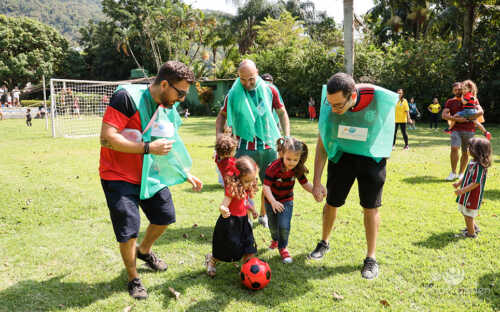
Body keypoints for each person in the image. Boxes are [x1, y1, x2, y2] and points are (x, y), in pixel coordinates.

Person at [99, 61, 203, 300]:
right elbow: (106, 138)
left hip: (149, 174)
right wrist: (147, 148)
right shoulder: (127, 98)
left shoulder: (166, 107)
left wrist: (183, 172)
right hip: (118, 174)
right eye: (181, 92)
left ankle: (144, 250)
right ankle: (133, 277)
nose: (183, 99)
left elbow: (168, 143)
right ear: (164, 84)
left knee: (165, 216)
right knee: (128, 227)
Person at [309, 72, 398, 280]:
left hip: (371, 158)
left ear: (353, 96)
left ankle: (371, 258)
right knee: (331, 202)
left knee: (371, 207)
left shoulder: (376, 99)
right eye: (331, 104)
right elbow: (322, 145)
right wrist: (316, 182)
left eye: (339, 105)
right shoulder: (329, 104)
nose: (334, 109)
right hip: (342, 156)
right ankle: (324, 242)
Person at [215, 60, 290, 229]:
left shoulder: (270, 90)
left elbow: (282, 112)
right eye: (243, 79)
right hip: (244, 147)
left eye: (251, 79)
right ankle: (246, 217)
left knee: (268, 184)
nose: (247, 83)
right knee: (241, 184)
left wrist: (287, 137)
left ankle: (263, 215)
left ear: (257, 72)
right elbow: (221, 116)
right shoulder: (233, 94)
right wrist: (220, 139)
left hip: (268, 146)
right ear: (238, 77)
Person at [205, 156, 259, 277]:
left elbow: (244, 203)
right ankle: (211, 260)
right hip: (230, 222)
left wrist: (252, 209)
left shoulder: (246, 188)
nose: (249, 184)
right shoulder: (232, 189)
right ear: (237, 179)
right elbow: (223, 205)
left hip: (244, 221)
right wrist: (223, 210)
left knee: (249, 247)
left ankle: (247, 271)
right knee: (227, 249)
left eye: (252, 180)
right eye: (246, 181)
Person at [263, 137, 313, 263]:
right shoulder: (273, 167)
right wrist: (273, 202)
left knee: (284, 226)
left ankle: (283, 248)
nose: (291, 162)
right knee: (273, 225)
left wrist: (316, 191)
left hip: (286, 200)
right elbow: (266, 187)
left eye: (295, 160)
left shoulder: (297, 168)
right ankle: (275, 239)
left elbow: (305, 184)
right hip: (271, 200)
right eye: (288, 159)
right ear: (282, 154)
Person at [442, 82, 484, 181]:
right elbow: (444, 115)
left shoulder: (472, 98)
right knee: (454, 148)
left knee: (465, 152)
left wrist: (469, 118)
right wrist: (456, 119)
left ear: (463, 89)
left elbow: (480, 112)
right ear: (453, 91)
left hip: (469, 129)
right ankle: (453, 173)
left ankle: (461, 173)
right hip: (455, 129)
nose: (458, 91)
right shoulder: (450, 101)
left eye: (459, 89)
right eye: (455, 90)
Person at [452, 137, 491, 238]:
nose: (467, 149)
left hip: (473, 195)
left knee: (468, 215)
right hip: (466, 193)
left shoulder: (479, 166)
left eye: (470, 147)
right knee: (464, 211)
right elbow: (466, 175)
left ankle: (471, 234)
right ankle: (473, 227)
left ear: (477, 151)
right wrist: (459, 183)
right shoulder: (472, 162)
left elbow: (476, 183)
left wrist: (462, 190)